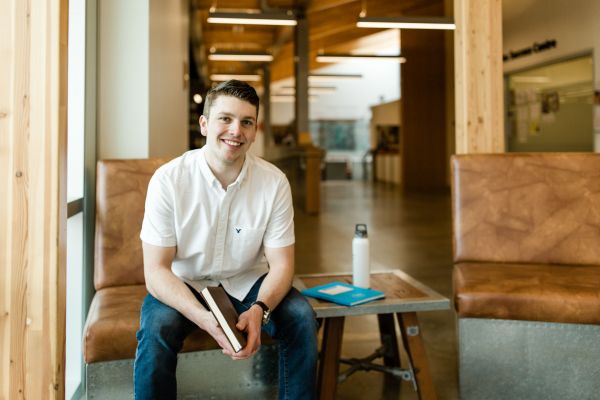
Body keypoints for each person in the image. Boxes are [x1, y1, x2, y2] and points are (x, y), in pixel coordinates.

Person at [133, 80, 319, 399]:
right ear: (204, 124)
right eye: (225, 119)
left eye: (246, 122)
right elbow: (156, 271)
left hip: (248, 282)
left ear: (255, 130)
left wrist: (260, 308)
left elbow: (282, 265)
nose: (236, 130)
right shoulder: (168, 179)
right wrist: (204, 318)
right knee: (156, 328)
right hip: (185, 282)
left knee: (302, 318)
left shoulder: (274, 183)